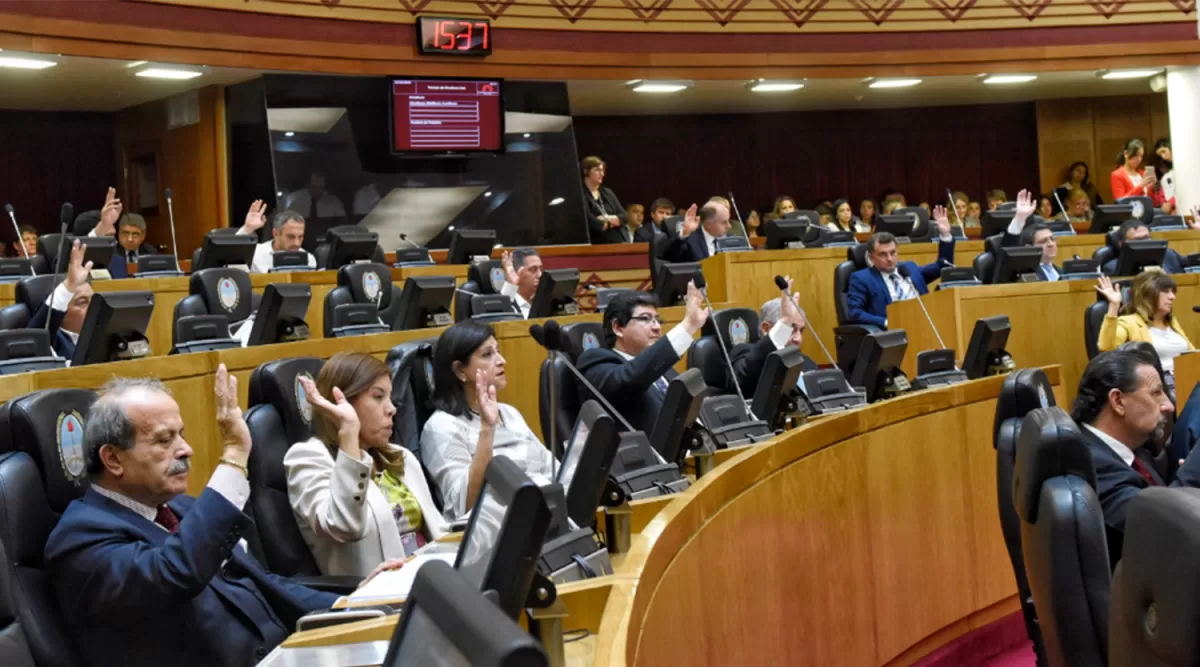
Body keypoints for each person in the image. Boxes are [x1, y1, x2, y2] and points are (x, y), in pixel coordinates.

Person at [44, 368, 338, 667]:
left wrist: (354, 606)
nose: (186, 450)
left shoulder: (181, 509)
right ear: (113, 459)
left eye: (181, 435)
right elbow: (176, 572)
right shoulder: (80, 539)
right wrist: (234, 455)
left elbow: (260, 582)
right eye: (164, 440)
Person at [285, 352, 449, 577]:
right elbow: (343, 526)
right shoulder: (306, 458)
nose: (391, 408)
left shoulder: (398, 456)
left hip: (431, 577)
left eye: (390, 398)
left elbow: (437, 530)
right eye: (378, 397)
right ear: (342, 403)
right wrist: (349, 433)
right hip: (377, 596)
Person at [1072, 349, 1200, 565]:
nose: (1168, 406)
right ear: (1118, 401)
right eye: (1156, 392)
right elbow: (1166, 529)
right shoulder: (1090, 464)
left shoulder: (1134, 449)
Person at [421, 321, 555, 520]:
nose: (502, 361)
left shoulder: (510, 413)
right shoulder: (441, 427)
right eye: (487, 354)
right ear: (459, 371)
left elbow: (553, 469)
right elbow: (465, 505)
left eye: (498, 351)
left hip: (545, 516)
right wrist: (487, 428)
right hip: (494, 535)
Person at [576, 286, 709, 436]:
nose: (657, 327)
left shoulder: (662, 368)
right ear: (618, 327)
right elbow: (631, 378)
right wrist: (688, 326)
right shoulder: (596, 362)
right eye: (645, 319)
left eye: (657, 320)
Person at [845, 206, 954, 328]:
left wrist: (945, 235)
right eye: (883, 254)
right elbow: (854, 313)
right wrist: (886, 322)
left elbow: (943, 265)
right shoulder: (862, 278)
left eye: (893, 253)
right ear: (871, 258)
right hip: (894, 333)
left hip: (924, 325)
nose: (890, 259)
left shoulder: (909, 269)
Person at [726, 276, 819, 396]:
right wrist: (784, 322)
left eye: (801, 331)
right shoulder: (744, 353)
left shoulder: (805, 361)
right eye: (791, 330)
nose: (798, 339)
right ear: (766, 329)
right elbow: (743, 380)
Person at [1095, 270, 1193, 375]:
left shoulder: (1171, 322)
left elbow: (1191, 353)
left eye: (1173, 292)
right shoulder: (1129, 322)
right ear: (1147, 294)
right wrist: (1114, 306)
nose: (1172, 297)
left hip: (1185, 378)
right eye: (1166, 291)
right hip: (1157, 383)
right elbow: (1107, 348)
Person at [29, 239, 92, 360]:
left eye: (93, 301)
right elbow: (36, 335)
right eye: (82, 302)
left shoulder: (100, 335)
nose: (92, 307)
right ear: (62, 311)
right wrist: (69, 287)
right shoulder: (55, 340)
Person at [236, 201, 316, 273]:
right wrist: (247, 228)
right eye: (291, 237)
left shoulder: (309, 259)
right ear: (275, 233)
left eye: (300, 237)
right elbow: (233, 257)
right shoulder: (256, 253)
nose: (296, 243)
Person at [1103, 219, 1184, 275]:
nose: (1145, 243)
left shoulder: (1168, 255)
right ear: (1121, 244)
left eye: (1147, 238)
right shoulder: (1112, 268)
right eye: (1137, 240)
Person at [581, 156, 627, 244]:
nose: (602, 174)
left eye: (602, 170)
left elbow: (624, 216)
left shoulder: (607, 192)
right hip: (595, 245)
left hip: (618, 242)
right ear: (586, 171)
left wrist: (606, 218)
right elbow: (593, 224)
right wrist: (614, 222)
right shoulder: (581, 194)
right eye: (597, 170)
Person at [1110, 138, 1163, 205]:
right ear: (1126, 153)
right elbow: (1120, 201)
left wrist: (1153, 188)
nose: (1139, 159)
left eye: (1141, 156)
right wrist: (1140, 186)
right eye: (1136, 155)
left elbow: (1154, 203)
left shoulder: (1143, 173)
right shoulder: (1117, 175)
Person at [498, 248, 543, 319]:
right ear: (515, 273)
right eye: (533, 269)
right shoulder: (509, 307)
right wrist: (510, 285)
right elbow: (498, 319)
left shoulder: (542, 303)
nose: (540, 275)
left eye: (540, 269)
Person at [1155, 138, 1176, 214]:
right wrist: (1164, 203)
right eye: (1160, 154)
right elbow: (1162, 194)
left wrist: (1171, 203)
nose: (1163, 157)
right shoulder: (1165, 174)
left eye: (1164, 151)